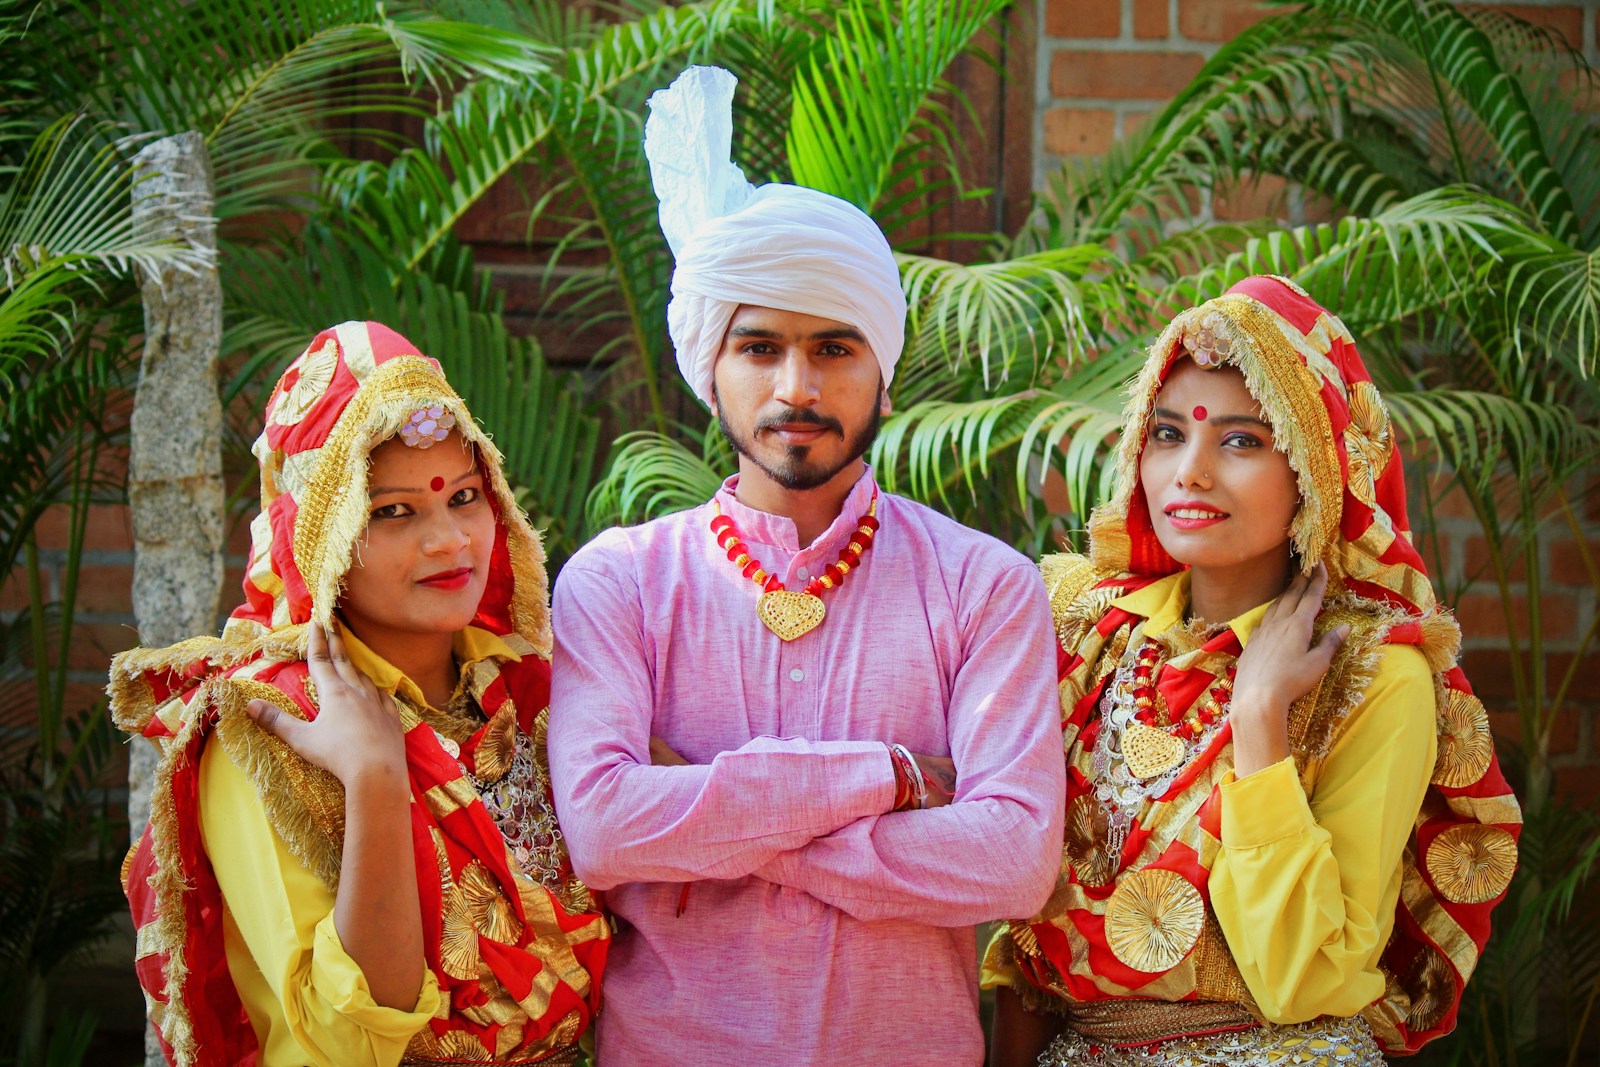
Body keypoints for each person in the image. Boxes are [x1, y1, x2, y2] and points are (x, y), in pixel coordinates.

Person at [545, 66, 1066, 1066]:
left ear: (882, 366)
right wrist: (888, 777)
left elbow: (1010, 861)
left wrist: (710, 820)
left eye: (833, 347)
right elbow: (606, 831)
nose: (796, 386)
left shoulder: (982, 584)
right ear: (712, 364)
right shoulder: (620, 582)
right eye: (759, 347)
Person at [984, 276, 1522, 1066]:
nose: (1190, 472)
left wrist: (1261, 716)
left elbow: (1301, 978)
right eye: (1168, 434)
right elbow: (1024, 936)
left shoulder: (1373, 674)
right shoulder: (1084, 631)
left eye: (1240, 440)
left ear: (1314, 465)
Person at [110, 322, 608, 1067]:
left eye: (464, 496)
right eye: (393, 510)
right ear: (323, 535)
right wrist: (376, 779)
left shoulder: (531, 686)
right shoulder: (269, 727)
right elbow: (345, 1045)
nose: (450, 540)